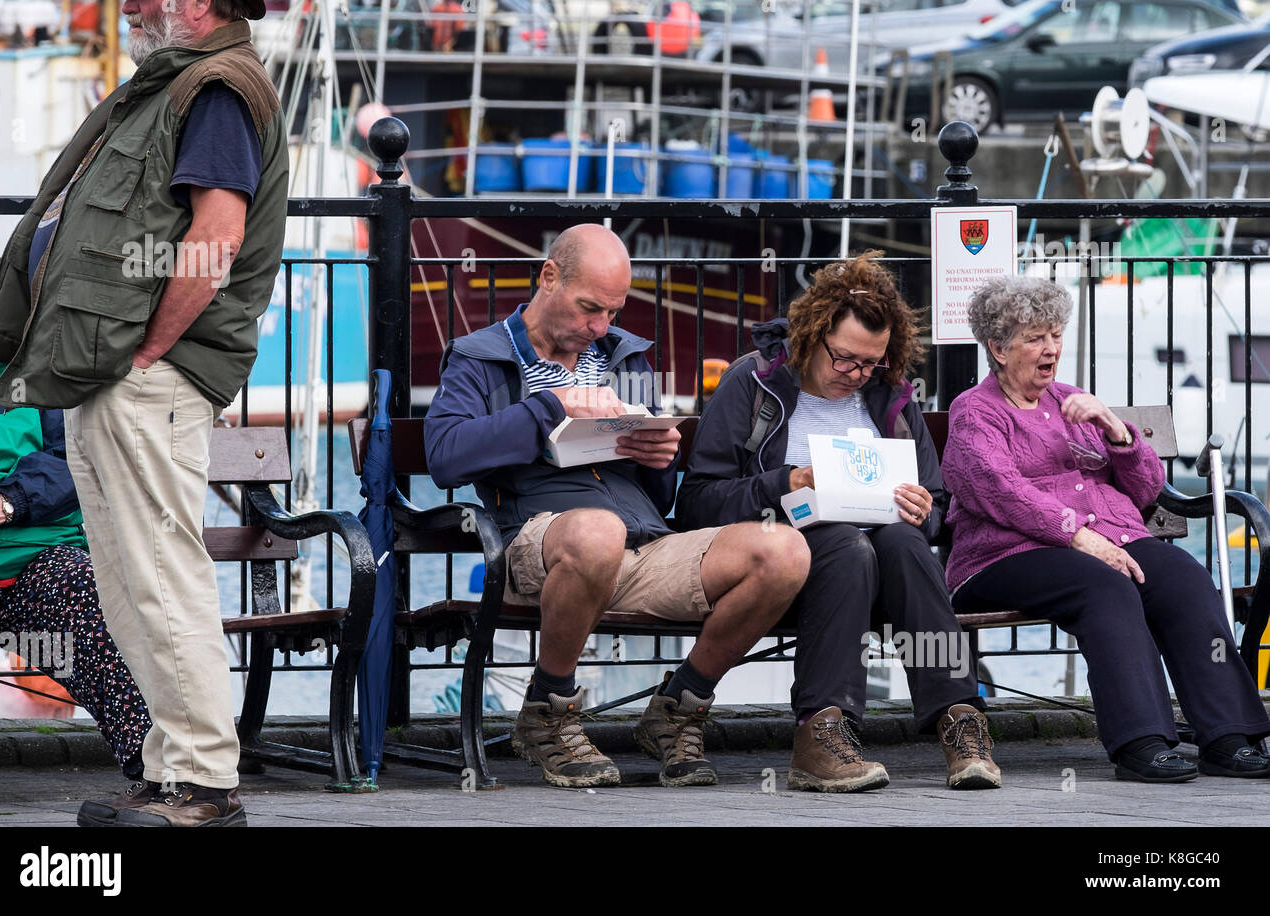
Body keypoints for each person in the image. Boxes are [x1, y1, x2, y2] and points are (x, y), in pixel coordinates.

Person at [0, 0, 287, 825]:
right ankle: (167, 771)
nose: (133, 6)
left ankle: (203, 786)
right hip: (110, 373)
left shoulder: (216, 89)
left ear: (202, 0)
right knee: (125, 581)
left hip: (146, 374)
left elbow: (215, 238)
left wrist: (150, 348)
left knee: (157, 575)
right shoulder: (179, 86)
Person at [425, 223, 811, 788]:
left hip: (642, 545)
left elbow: (660, 498)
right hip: (540, 543)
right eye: (588, 309)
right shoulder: (480, 359)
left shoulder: (625, 357)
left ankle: (679, 707)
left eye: (612, 311)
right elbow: (444, 457)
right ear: (549, 277)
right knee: (596, 534)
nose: (600, 326)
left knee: (784, 552)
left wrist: (660, 460)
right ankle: (549, 709)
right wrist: (545, 411)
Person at [677, 252, 1000, 791]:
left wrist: (927, 512)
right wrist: (785, 483)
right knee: (846, 543)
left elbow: (939, 505)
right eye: (845, 359)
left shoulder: (890, 396)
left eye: (871, 362)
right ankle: (821, 731)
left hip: (888, 574)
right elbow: (698, 502)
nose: (857, 375)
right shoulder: (754, 384)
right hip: (787, 568)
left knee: (901, 540)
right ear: (811, 334)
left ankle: (960, 719)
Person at [944, 276, 1270, 782]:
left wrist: (1117, 431)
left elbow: (1146, 491)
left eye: (1055, 334)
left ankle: (1228, 735)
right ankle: (1141, 741)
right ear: (999, 349)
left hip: (1111, 539)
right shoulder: (976, 412)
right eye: (1035, 338)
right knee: (1104, 587)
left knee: (1185, 581)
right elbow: (1000, 490)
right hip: (1005, 555)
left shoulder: (1074, 402)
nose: (1051, 348)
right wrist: (1076, 534)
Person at [0, 354, 151, 822]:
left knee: (89, 593)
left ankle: (160, 775)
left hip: (36, 558)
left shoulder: (31, 363)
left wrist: (6, 502)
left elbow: (75, 453)